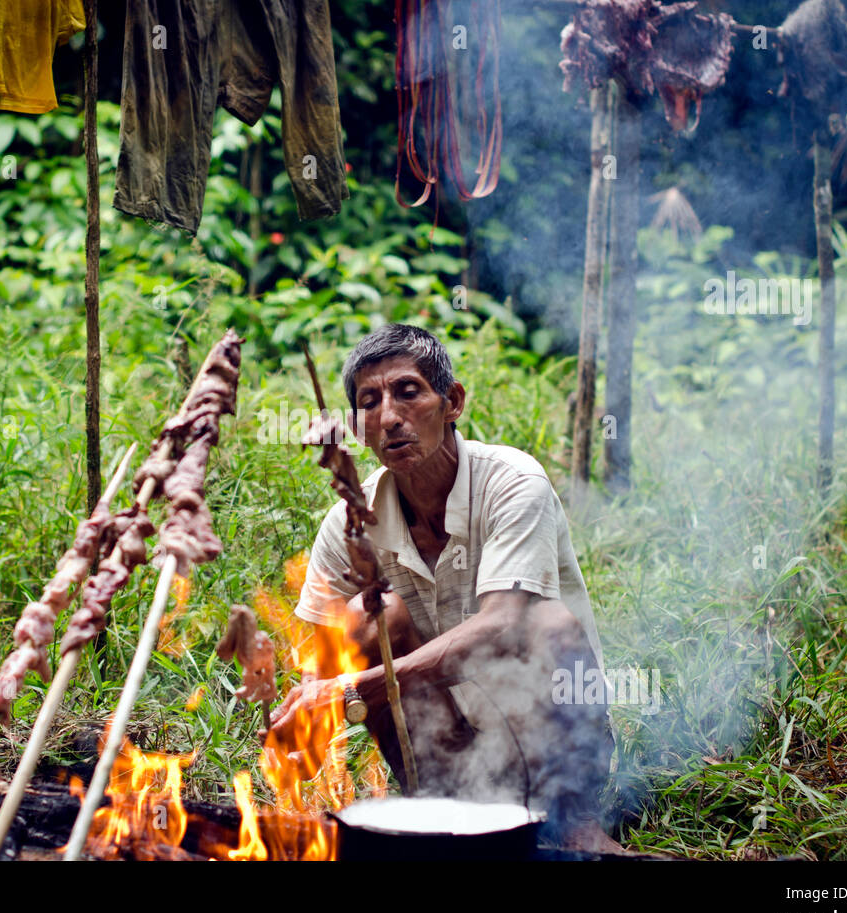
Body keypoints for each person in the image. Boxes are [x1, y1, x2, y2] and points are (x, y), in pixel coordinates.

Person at [266, 323, 622, 853]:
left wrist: (348, 693)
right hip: (444, 754)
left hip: (542, 746)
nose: (389, 416)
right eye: (370, 402)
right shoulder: (349, 524)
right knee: (370, 620)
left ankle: (574, 819)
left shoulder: (513, 481)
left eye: (408, 392)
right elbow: (321, 661)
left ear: (451, 401)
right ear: (359, 428)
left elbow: (502, 626)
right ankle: (433, 807)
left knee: (547, 623)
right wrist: (300, 729)